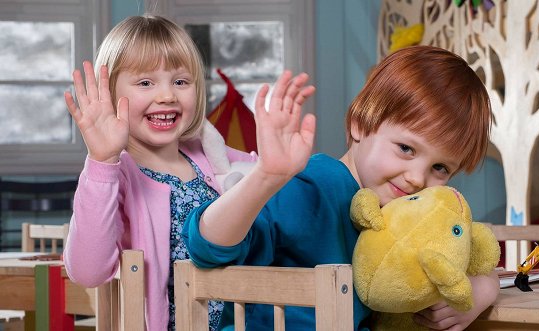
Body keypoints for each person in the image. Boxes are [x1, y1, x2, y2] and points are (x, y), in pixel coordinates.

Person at [184, 45, 498, 331]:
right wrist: (265, 177)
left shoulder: (406, 215)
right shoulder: (313, 187)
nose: (417, 178)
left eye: (440, 168)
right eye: (406, 148)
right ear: (360, 124)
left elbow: (472, 253)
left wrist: (483, 289)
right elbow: (206, 248)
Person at [62, 15, 313, 330]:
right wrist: (101, 160)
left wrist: (280, 162)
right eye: (145, 82)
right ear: (110, 94)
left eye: (180, 81)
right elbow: (87, 271)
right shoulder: (117, 173)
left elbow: (270, 203)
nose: (167, 95)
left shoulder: (214, 155)